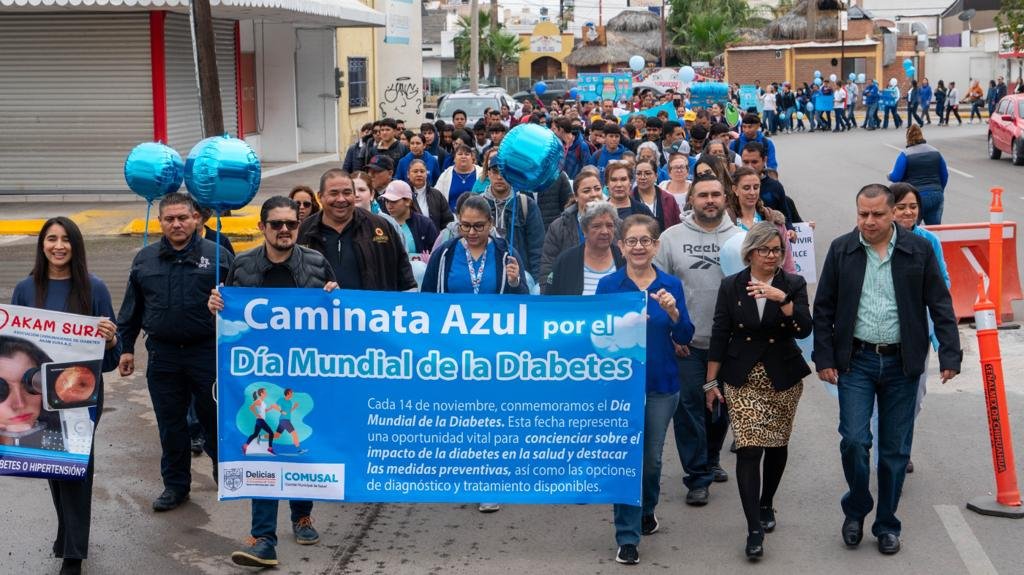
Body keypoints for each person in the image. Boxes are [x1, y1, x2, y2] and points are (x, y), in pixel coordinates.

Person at [812, 184, 961, 556]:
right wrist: (824, 357)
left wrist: (949, 354)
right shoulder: (842, 250)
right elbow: (824, 307)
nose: (869, 221)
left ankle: (887, 524)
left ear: (893, 213)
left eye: (877, 214)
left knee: (894, 452)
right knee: (854, 440)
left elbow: (940, 303)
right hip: (857, 361)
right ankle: (857, 507)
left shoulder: (918, 250)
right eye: (863, 214)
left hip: (902, 363)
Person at [208, 195, 337, 568]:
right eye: (276, 224)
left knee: (300, 443)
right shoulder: (243, 265)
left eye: (291, 224)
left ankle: (302, 515)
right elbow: (230, 320)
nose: (284, 230)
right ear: (262, 227)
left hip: (305, 373)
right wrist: (216, 306)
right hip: (258, 375)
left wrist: (335, 297)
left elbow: (338, 318)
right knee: (264, 449)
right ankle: (263, 537)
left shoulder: (316, 263)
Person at [9, 217, 120, 575]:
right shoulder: (26, 289)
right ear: (42, 245)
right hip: (38, 395)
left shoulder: (94, 288)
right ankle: (66, 535)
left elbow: (110, 361)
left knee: (76, 471)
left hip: (80, 399)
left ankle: (74, 554)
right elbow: (13, 347)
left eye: (66, 239)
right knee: (52, 466)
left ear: (76, 245)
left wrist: (111, 340)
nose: (58, 246)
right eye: (51, 239)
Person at [116, 192, 230, 513]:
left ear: (196, 218)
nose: (177, 224)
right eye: (170, 219)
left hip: (206, 353)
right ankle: (176, 486)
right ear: (160, 222)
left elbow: (241, 303)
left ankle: (226, 475)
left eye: (183, 217)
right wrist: (127, 349)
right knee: (171, 424)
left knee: (214, 419)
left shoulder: (218, 256)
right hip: (163, 355)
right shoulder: (145, 259)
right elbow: (131, 309)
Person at [704, 221, 810, 560]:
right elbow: (720, 333)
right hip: (743, 377)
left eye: (776, 250)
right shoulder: (731, 285)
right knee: (749, 449)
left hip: (783, 375)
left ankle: (767, 503)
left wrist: (784, 301)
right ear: (749, 253)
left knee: (776, 444)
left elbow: (804, 329)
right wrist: (711, 382)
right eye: (764, 250)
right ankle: (753, 528)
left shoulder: (792, 284)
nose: (771, 256)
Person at [598, 214, 695, 566]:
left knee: (650, 462)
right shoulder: (609, 286)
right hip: (619, 389)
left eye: (645, 241)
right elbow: (596, 335)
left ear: (655, 246)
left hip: (660, 385)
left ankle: (646, 509)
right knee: (626, 460)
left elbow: (685, 335)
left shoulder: (671, 284)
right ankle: (626, 537)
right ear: (621, 247)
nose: (638, 247)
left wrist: (673, 312)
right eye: (631, 241)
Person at [654, 173, 742, 503]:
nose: (709, 201)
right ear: (691, 200)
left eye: (715, 195)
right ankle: (698, 476)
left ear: (725, 198)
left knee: (720, 406)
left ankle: (712, 456)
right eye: (702, 195)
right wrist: (670, 331)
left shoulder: (740, 239)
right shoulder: (671, 238)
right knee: (689, 408)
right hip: (686, 344)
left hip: (728, 344)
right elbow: (656, 287)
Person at [885, 182, 951, 473]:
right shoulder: (876, 241)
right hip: (880, 333)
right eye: (901, 207)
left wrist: (942, 340)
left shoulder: (928, 242)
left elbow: (942, 284)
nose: (908, 212)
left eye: (913, 207)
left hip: (917, 333)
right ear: (889, 210)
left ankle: (901, 447)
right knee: (882, 397)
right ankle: (887, 449)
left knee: (914, 397)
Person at [298, 168, 416, 291]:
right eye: (334, 193)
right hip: (319, 303)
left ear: (354, 195)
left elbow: (406, 280)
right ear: (320, 196)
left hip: (373, 304)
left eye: (347, 193)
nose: (341, 199)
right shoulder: (305, 230)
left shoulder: (380, 227)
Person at [421, 192, 528, 296]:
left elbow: (524, 302)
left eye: (479, 226)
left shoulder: (507, 255)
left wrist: (515, 283)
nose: (472, 232)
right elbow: (426, 298)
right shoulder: (443, 254)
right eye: (466, 225)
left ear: (490, 223)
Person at [480, 158, 546, 281]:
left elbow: (537, 249)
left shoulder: (526, 204)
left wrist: (537, 282)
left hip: (520, 275)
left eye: (504, 172)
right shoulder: (478, 205)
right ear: (488, 174)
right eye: (495, 171)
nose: (499, 177)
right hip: (484, 276)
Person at [540, 171, 607, 287]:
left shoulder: (616, 224)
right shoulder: (558, 227)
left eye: (597, 189)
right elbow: (548, 266)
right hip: (569, 288)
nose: (593, 194)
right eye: (586, 191)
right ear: (575, 196)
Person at [546, 201, 625, 295]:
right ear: (584, 230)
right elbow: (551, 299)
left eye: (609, 225)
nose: (605, 231)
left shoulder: (625, 258)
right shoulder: (565, 261)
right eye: (597, 226)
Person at [727, 167, 796, 273]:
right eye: (746, 188)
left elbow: (788, 263)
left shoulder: (773, 220)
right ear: (735, 189)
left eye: (756, 187)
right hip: (736, 280)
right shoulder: (726, 222)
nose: (752, 192)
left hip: (771, 281)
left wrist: (793, 283)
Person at [887, 125, 948, 225]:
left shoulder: (906, 154)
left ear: (908, 138)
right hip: (936, 195)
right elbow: (944, 175)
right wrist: (939, 190)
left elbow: (896, 177)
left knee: (912, 229)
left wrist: (889, 175)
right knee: (935, 229)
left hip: (916, 197)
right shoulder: (936, 152)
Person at [380, 179, 439, 256]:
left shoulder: (425, 224)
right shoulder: (381, 224)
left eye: (394, 201)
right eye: (386, 201)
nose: (389, 206)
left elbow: (436, 253)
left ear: (408, 201)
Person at [740, 143, 793, 227]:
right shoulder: (733, 184)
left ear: (764, 160)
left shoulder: (775, 186)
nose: (749, 167)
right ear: (735, 190)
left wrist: (790, 230)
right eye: (746, 162)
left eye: (754, 162)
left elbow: (786, 218)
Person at [632, 159, 681, 232]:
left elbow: (678, 225)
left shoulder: (668, 199)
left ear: (656, 176)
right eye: (638, 174)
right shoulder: (629, 199)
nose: (642, 177)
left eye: (647, 173)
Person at [407, 158, 454, 231]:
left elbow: (448, 220)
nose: (419, 174)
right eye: (415, 171)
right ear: (408, 174)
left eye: (422, 171)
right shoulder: (404, 196)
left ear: (426, 174)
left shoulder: (437, 195)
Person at [435, 143, 482, 212]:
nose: (463, 156)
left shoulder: (481, 173)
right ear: (454, 159)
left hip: (477, 215)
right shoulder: (445, 175)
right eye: (460, 154)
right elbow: (436, 197)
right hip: (451, 216)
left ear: (472, 158)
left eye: (467, 154)